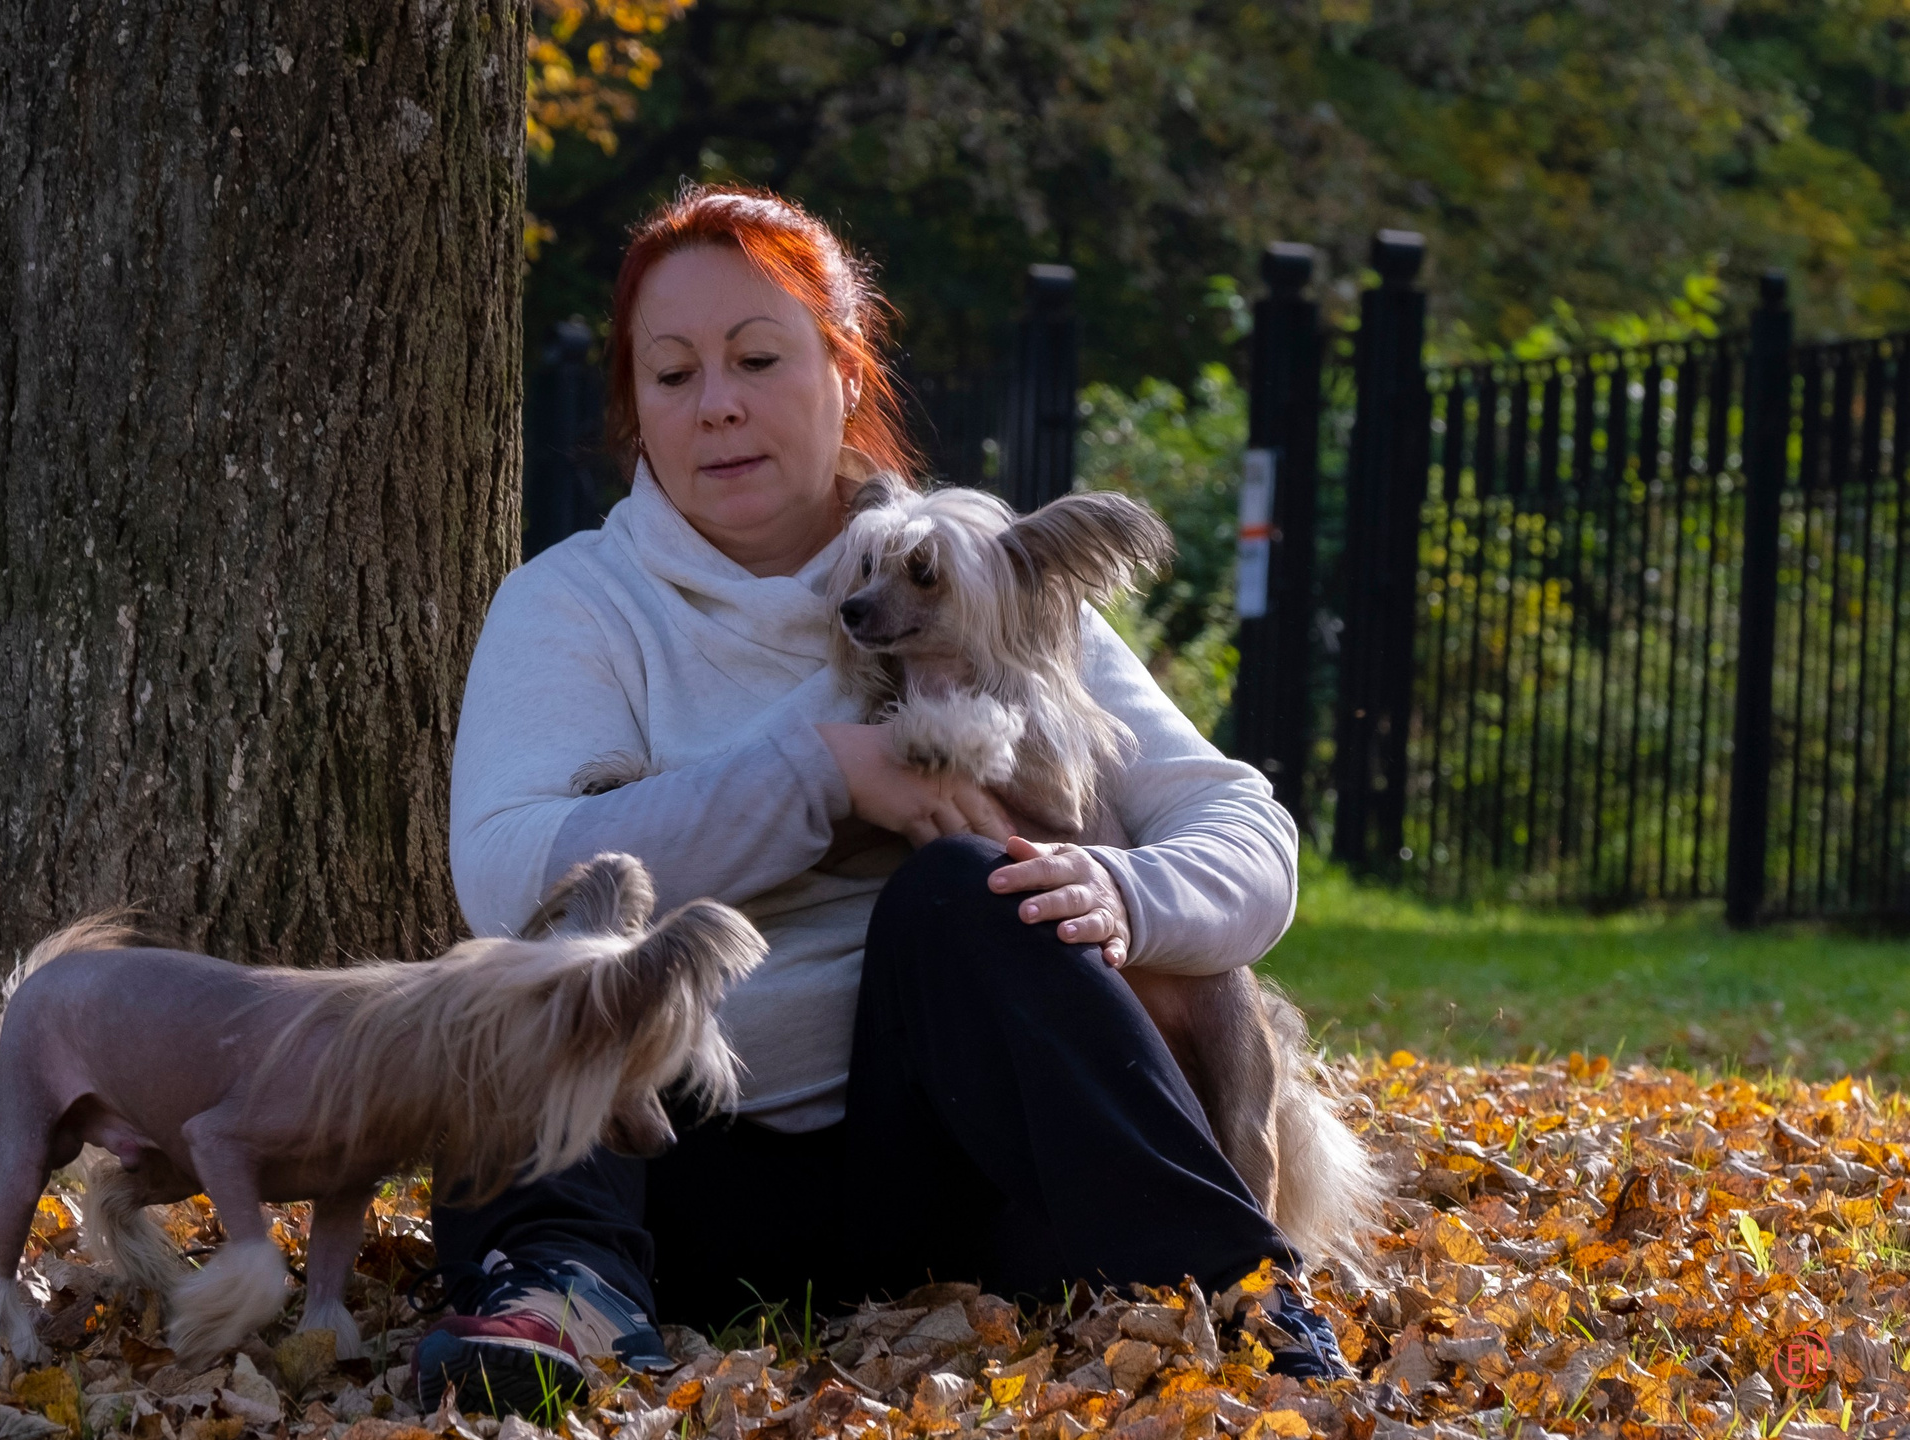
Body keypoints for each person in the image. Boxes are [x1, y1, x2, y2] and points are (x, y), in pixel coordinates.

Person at [416, 183, 1349, 1413]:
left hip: (953, 1164)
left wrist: (1121, 888)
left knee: (972, 884)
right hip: (673, 1168)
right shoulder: (572, 606)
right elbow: (508, 870)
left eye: (758, 358)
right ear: (634, 408)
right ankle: (560, 1294)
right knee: (543, 958)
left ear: (844, 374)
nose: (720, 405)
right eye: (673, 374)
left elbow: (1245, 836)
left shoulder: (977, 577)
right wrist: (825, 774)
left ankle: (1223, 1284)